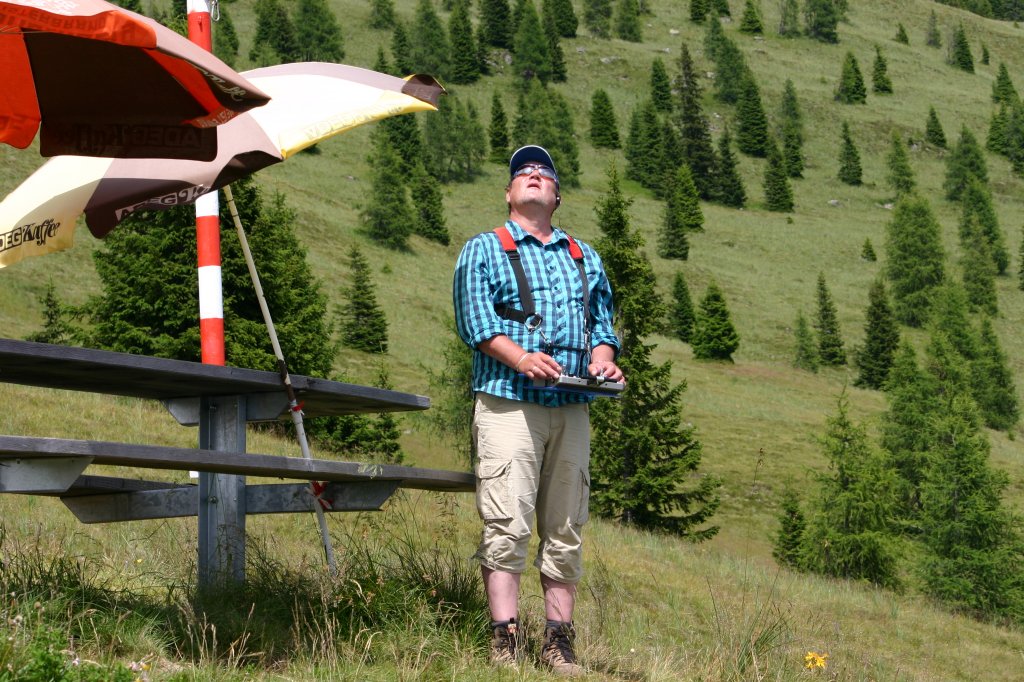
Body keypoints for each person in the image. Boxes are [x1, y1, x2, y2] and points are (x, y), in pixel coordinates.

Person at [453, 145, 623, 676]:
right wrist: (522, 358)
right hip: (509, 402)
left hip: (572, 405)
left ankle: (558, 644)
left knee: (566, 526)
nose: (533, 175)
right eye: (522, 172)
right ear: (508, 193)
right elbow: (475, 322)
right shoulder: (484, 249)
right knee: (507, 520)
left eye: (543, 173)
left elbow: (603, 326)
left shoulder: (584, 256)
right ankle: (504, 640)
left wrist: (603, 361)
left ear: (557, 196)